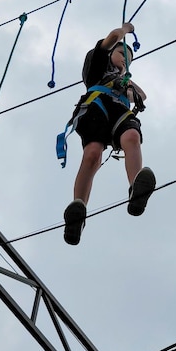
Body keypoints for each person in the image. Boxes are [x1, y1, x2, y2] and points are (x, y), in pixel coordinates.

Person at [63, 22, 155, 245]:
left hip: (118, 111)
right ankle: (79, 210)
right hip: (95, 107)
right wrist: (125, 31)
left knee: (131, 137)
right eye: (122, 53)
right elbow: (113, 37)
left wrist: (126, 80)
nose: (126, 59)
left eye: (130, 59)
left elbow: (141, 95)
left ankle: (136, 189)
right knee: (92, 154)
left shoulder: (122, 80)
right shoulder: (98, 65)